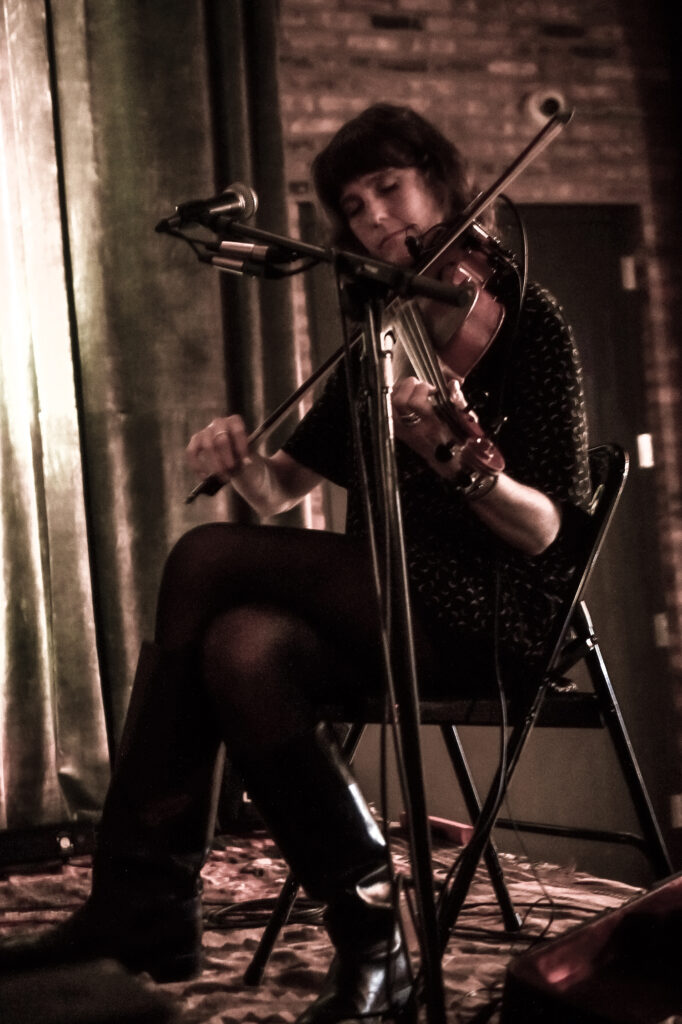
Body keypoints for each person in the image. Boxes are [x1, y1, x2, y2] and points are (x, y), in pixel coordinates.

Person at [0, 104, 591, 1023]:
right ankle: (373, 937)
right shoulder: (384, 329)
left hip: (496, 615)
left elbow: (548, 531)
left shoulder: (528, 321)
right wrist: (243, 465)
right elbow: (280, 490)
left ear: (440, 183)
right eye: (353, 206)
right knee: (241, 646)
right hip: (388, 602)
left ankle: (143, 898)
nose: (375, 218)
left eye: (389, 187)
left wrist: (467, 469)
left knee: (204, 557)